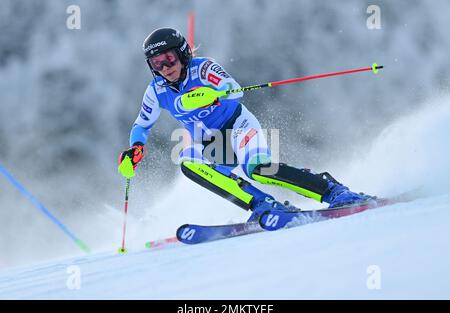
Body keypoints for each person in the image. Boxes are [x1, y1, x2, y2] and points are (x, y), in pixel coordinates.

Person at [118, 27, 373, 222]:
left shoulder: (203, 68)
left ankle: (331, 190)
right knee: (188, 162)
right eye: (156, 63)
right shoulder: (156, 91)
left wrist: (211, 94)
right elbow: (141, 125)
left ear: (182, 53)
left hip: (238, 125)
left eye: (169, 59)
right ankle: (263, 204)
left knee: (258, 169)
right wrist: (135, 149)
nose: (164, 68)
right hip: (213, 143)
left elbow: (234, 89)